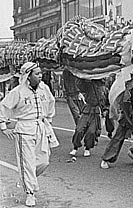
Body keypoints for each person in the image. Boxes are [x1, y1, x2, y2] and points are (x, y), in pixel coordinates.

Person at [0, 62, 58, 207]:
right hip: (24, 129)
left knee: (44, 161)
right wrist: (3, 126)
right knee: (27, 163)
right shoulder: (18, 91)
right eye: (37, 74)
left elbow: (51, 102)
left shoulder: (44, 89)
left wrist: (48, 120)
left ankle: (26, 178)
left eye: (40, 73)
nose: (40, 76)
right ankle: (30, 193)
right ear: (28, 76)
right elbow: (4, 106)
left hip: (40, 127)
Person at [70, 79, 110, 157]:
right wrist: (83, 78)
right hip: (87, 110)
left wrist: (106, 110)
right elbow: (80, 85)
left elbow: (108, 103)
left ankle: (87, 148)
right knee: (79, 129)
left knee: (91, 132)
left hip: (97, 112)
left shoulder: (105, 89)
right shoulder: (89, 84)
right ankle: (75, 147)